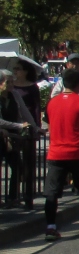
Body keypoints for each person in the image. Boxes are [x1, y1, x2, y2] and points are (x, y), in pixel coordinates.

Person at [43, 68, 79, 240]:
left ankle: (51, 227)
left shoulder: (52, 103)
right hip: (76, 151)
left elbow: (50, 126)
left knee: (52, 192)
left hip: (55, 152)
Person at [0, 68, 38, 208]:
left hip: (12, 136)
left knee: (17, 167)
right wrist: (19, 125)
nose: (11, 85)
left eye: (12, 81)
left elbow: (25, 112)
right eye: (8, 82)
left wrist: (35, 127)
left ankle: (12, 198)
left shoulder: (14, 95)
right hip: (2, 135)